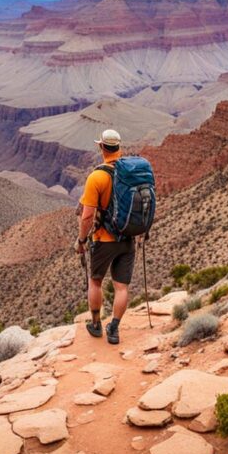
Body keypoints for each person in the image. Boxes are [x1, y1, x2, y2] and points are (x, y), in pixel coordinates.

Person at [74, 128, 134, 345]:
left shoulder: (97, 176)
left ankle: (97, 324)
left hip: (104, 239)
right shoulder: (130, 171)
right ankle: (115, 328)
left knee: (96, 281)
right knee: (122, 287)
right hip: (128, 237)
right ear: (119, 147)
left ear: (101, 147)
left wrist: (81, 240)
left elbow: (87, 215)